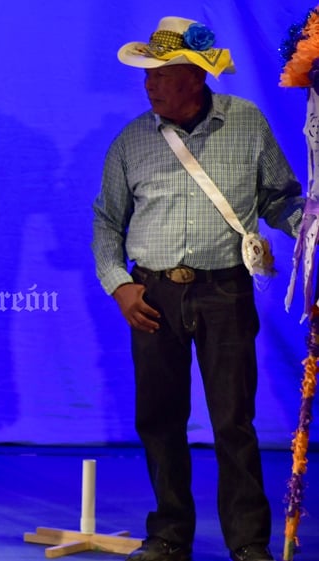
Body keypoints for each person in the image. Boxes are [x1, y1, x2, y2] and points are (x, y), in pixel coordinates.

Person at [91, 16, 303, 561]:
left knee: (234, 421)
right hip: (152, 295)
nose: (148, 84)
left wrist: (308, 223)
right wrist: (120, 287)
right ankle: (168, 535)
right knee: (159, 419)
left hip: (224, 292)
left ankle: (248, 542)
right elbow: (107, 222)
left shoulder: (247, 123)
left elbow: (280, 196)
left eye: (159, 73)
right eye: (147, 74)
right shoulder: (131, 141)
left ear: (194, 76)